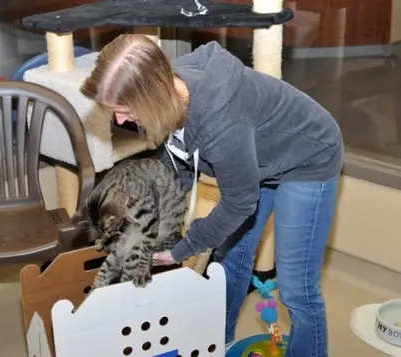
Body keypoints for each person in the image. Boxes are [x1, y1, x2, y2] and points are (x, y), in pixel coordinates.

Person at [80, 34, 343, 357]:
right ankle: (217, 345)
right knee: (228, 261)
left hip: (308, 156)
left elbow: (240, 202)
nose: (119, 121)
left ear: (150, 98)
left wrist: (185, 247)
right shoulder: (168, 88)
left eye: (122, 110)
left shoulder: (222, 125)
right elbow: (179, 158)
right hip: (257, 158)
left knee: (296, 290)